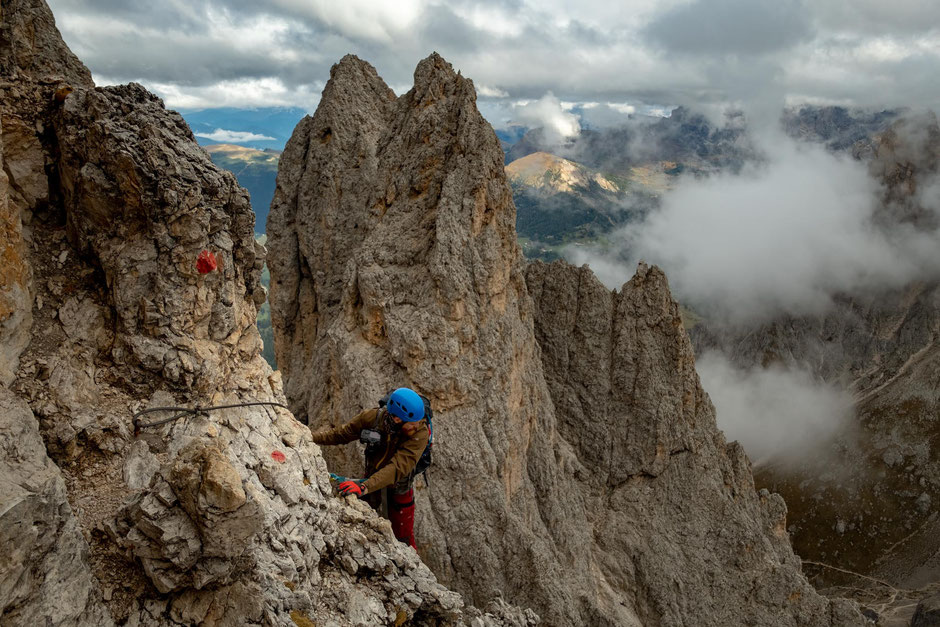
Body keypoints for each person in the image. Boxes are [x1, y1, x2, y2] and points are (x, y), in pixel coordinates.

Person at [310, 387, 429, 549]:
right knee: (365, 518)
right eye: (413, 424)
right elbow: (341, 434)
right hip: (372, 475)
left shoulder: (420, 433)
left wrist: (364, 486)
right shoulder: (372, 418)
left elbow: (397, 467)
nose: (418, 426)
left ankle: (411, 562)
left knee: (403, 534)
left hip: (399, 482)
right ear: (396, 419)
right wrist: (310, 437)